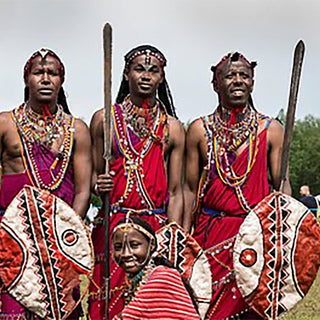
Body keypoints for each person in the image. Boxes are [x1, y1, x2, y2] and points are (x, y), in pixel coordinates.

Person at [183, 52, 291, 319]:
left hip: (254, 236)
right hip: (210, 236)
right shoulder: (199, 130)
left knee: (252, 310)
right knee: (205, 308)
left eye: (244, 75)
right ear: (216, 83)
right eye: (230, 75)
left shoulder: (272, 130)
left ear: (253, 83)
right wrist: (183, 237)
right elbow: (187, 189)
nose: (238, 81)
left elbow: (283, 184)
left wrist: (282, 233)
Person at [89, 45, 185, 318]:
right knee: (107, 306)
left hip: (154, 229)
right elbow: (95, 175)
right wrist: (100, 184)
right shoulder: (104, 120)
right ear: (126, 73)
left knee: (153, 307)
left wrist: (173, 235)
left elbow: (177, 192)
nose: (146, 76)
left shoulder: (173, 128)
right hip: (112, 226)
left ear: (161, 77)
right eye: (139, 69)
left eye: (153, 70)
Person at [0, 48, 92, 318]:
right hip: (12, 238)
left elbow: (84, 189)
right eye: (38, 72)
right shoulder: (5, 124)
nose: (45, 78)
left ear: (61, 81)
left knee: (61, 310)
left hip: (60, 241)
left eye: (52, 73)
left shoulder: (76, 129)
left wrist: (64, 234)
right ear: (26, 78)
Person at [111, 217, 199, 319]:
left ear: (151, 245)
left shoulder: (163, 276)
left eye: (134, 245)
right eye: (118, 247)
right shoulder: (137, 280)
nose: (125, 254)